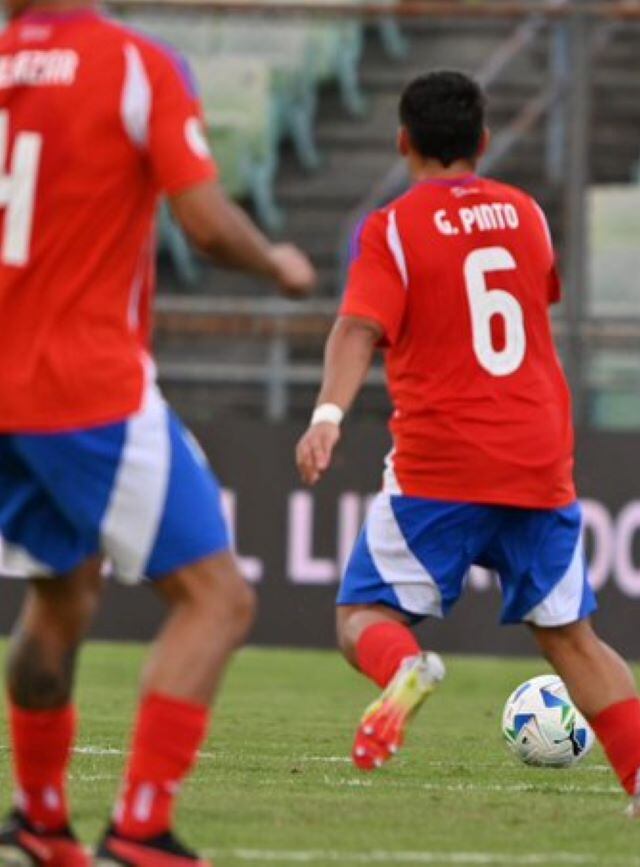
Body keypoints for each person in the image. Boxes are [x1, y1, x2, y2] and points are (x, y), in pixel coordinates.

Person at [294, 70, 640, 819]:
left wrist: (327, 416)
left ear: (403, 140)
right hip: (538, 454)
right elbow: (528, 308)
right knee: (572, 638)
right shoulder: (527, 215)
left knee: (362, 617)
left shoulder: (392, 227)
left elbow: (358, 326)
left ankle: (405, 670)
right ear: (482, 140)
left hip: (441, 458)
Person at [0, 2, 316, 865]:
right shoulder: (134, 63)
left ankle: (40, 819)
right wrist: (276, 261)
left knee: (59, 598)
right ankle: (140, 829)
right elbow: (205, 222)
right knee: (219, 598)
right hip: (84, 385)